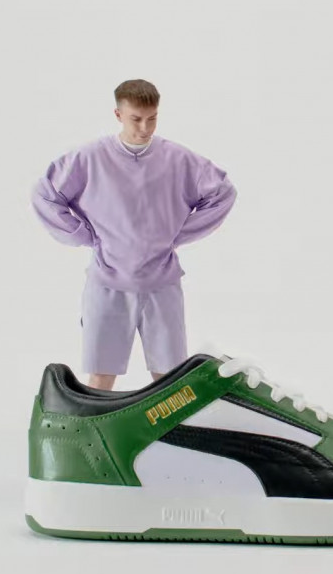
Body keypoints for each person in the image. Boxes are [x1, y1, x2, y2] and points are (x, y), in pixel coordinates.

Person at [31, 79, 237, 390]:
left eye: (152, 118)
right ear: (118, 115)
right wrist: (82, 234)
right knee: (100, 378)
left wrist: (177, 233)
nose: (144, 128)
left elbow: (223, 192)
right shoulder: (90, 158)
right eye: (136, 119)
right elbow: (45, 194)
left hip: (162, 283)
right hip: (107, 283)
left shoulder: (178, 159)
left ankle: (176, 425)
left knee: (170, 381)